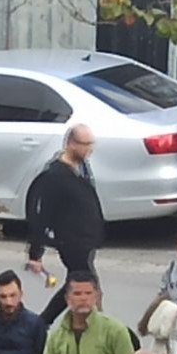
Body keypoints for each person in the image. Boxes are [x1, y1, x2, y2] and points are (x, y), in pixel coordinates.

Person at [26, 123, 107, 297]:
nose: (90, 149)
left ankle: (45, 321)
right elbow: (44, 216)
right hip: (72, 243)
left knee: (76, 288)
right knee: (89, 290)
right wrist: (36, 254)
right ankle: (94, 323)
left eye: (91, 144)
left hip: (87, 242)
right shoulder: (55, 176)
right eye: (86, 144)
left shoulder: (82, 167)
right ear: (71, 144)